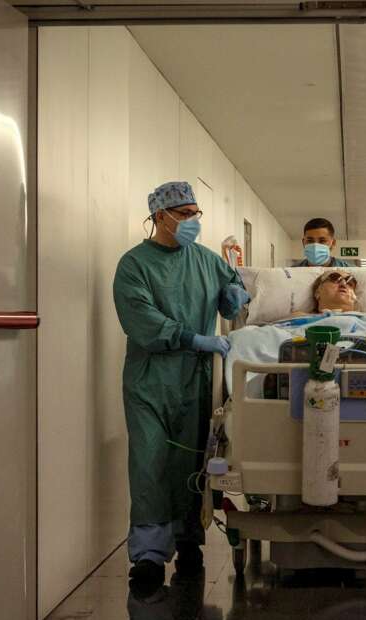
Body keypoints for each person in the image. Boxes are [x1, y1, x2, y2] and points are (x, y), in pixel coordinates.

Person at [113, 180, 250, 588]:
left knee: (192, 464)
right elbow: (141, 318)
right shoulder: (134, 264)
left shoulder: (207, 260)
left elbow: (235, 288)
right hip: (150, 380)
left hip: (197, 380)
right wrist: (191, 337)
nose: (192, 221)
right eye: (184, 215)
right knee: (150, 463)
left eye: (196, 214)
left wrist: (235, 295)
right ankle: (149, 556)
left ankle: (190, 540)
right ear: (159, 217)